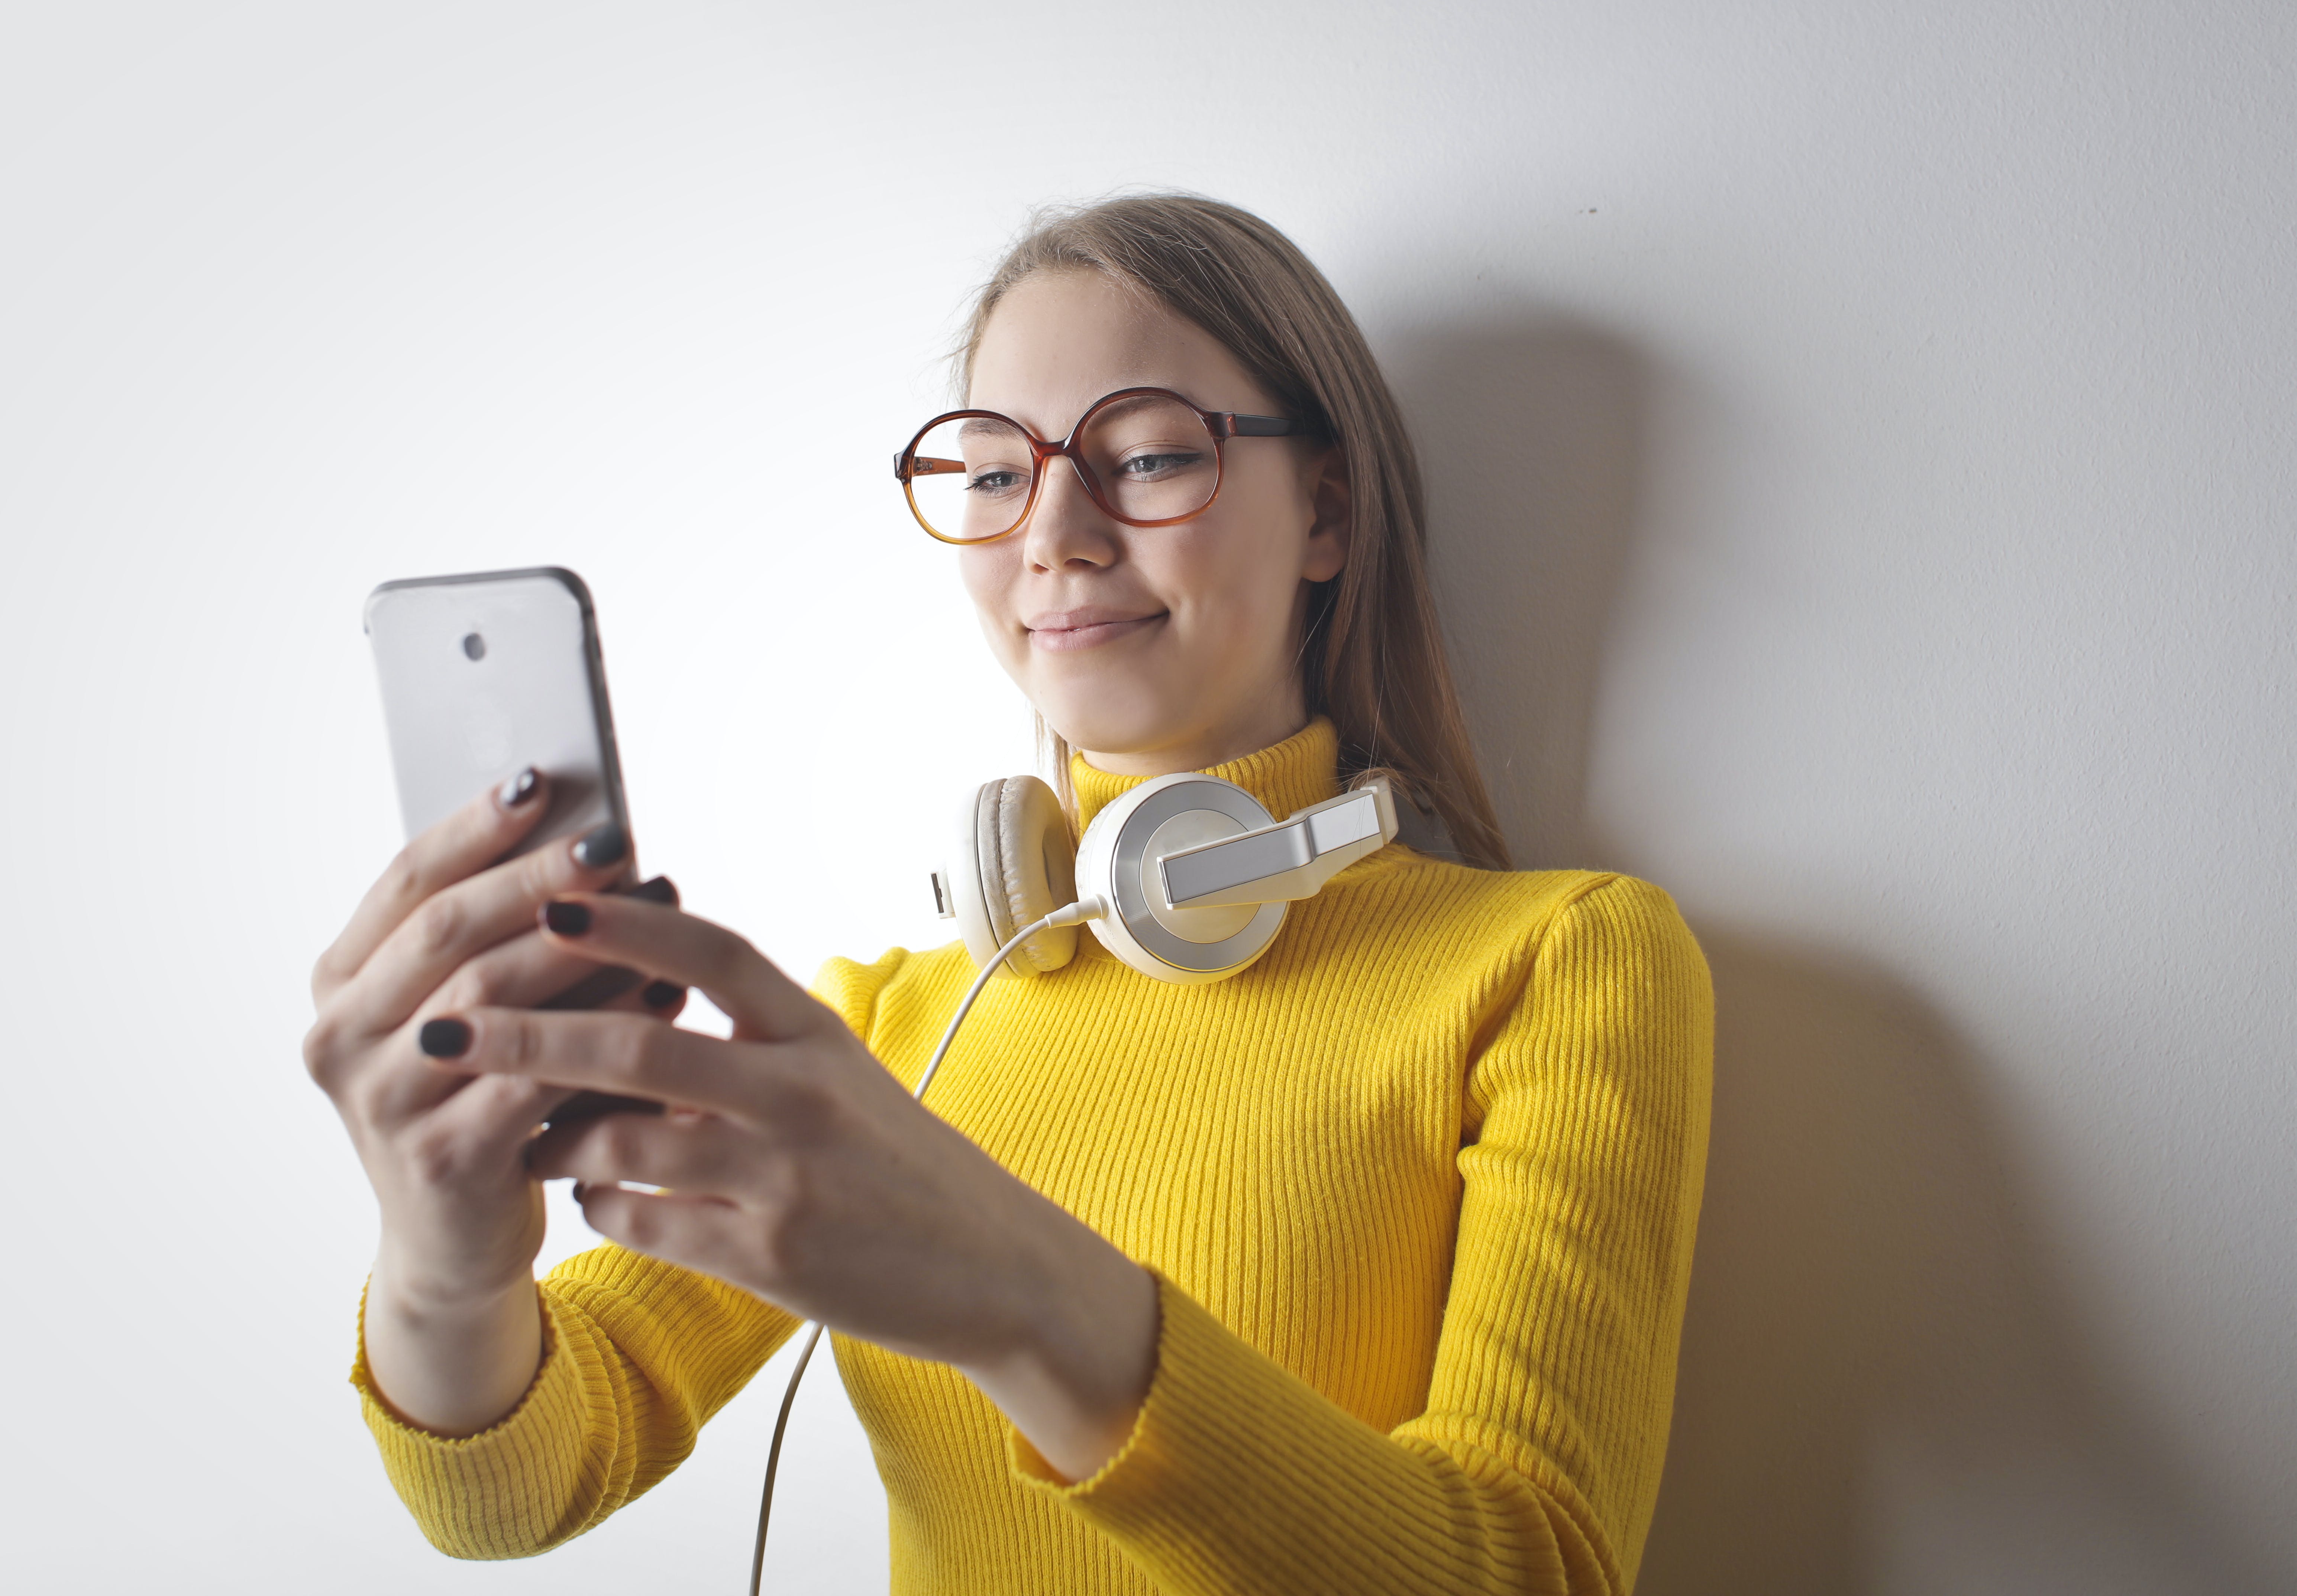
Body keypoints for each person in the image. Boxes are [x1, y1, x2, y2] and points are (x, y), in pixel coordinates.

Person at [304, 193, 1713, 1595]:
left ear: (1327, 510)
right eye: (991, 475)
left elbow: (1534, 1573)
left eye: (1151, 456)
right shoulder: (885, 1035)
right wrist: (445, 1260)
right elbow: (514, 1491)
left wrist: (1028, 1296)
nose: (1053, 533)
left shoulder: (1558, 962)